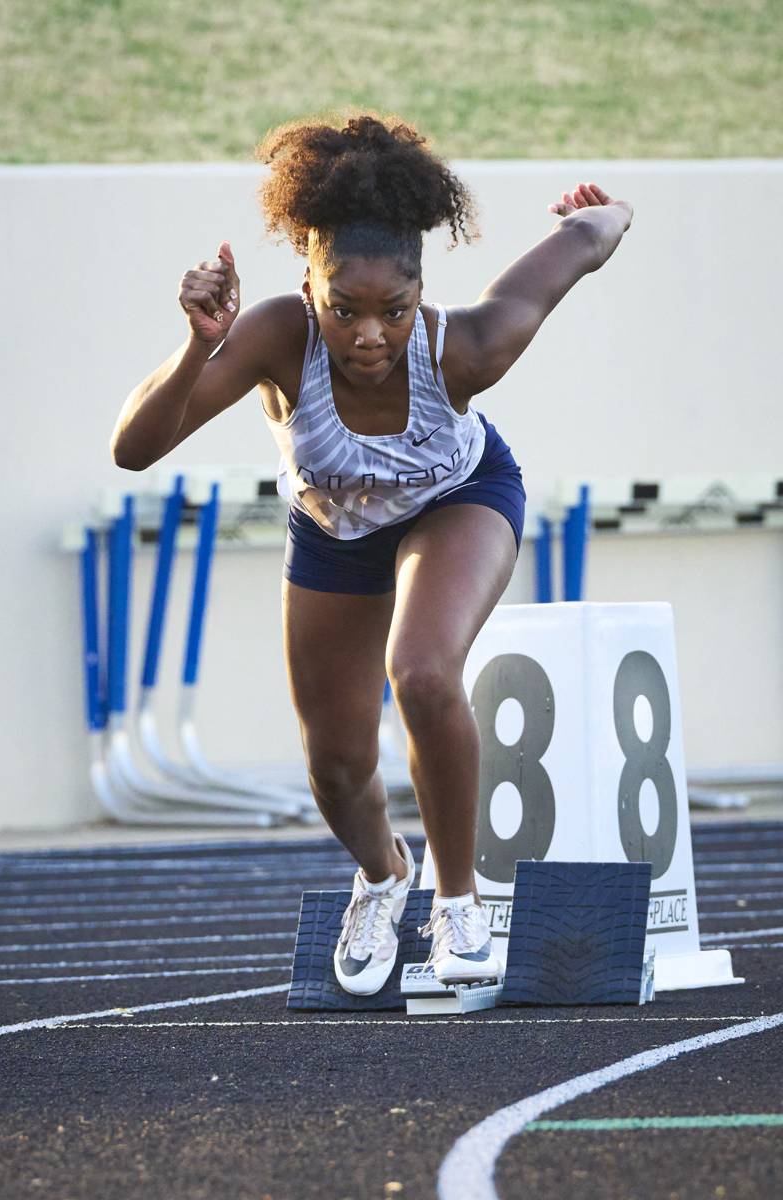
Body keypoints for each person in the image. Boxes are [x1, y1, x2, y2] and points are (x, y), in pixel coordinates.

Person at [110, 112, 633, 997]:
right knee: (336, 762)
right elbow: (134, 448)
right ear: (309, 285)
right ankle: (387, 875)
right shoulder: (279, 337)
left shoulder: (465, 348)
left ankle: (460, 903)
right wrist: (200, 344)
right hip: (334, 533)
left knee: (423, 673)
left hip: (457, 503)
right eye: (343, 309)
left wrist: (604, 211)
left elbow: (585, 242)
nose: (366, 338)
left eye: (392, 313)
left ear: (420, 294)